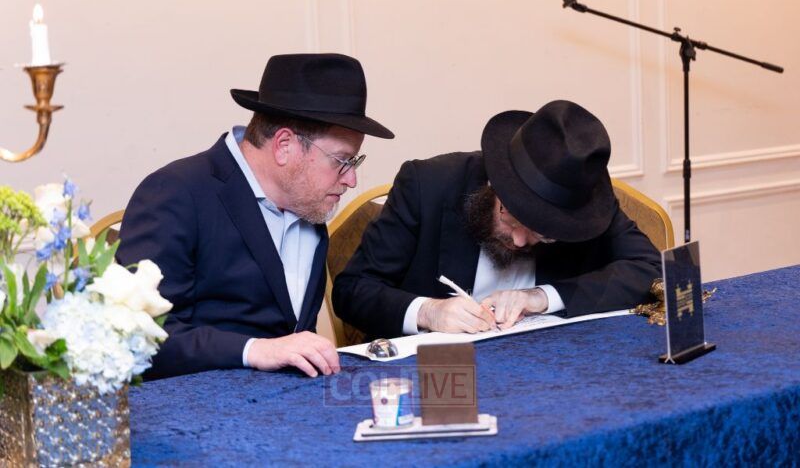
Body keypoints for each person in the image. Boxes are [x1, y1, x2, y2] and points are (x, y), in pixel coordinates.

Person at [117, 53, 394, 379]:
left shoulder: (307, 203)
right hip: (201, 403)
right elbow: (138, 334)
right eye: (341, 161)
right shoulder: (176, 193)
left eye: (354, 163)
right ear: (284, 145)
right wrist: (254, 349)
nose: (352, 180)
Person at [332, 100, 661, 339]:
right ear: (494, 185)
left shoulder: (582, 204)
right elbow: (353, 290)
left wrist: (542, 297)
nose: (519, 241)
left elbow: (653, 270)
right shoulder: (427, 185)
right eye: (510, 217)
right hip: (442, 380)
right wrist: (428, 312)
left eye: (543, 235)